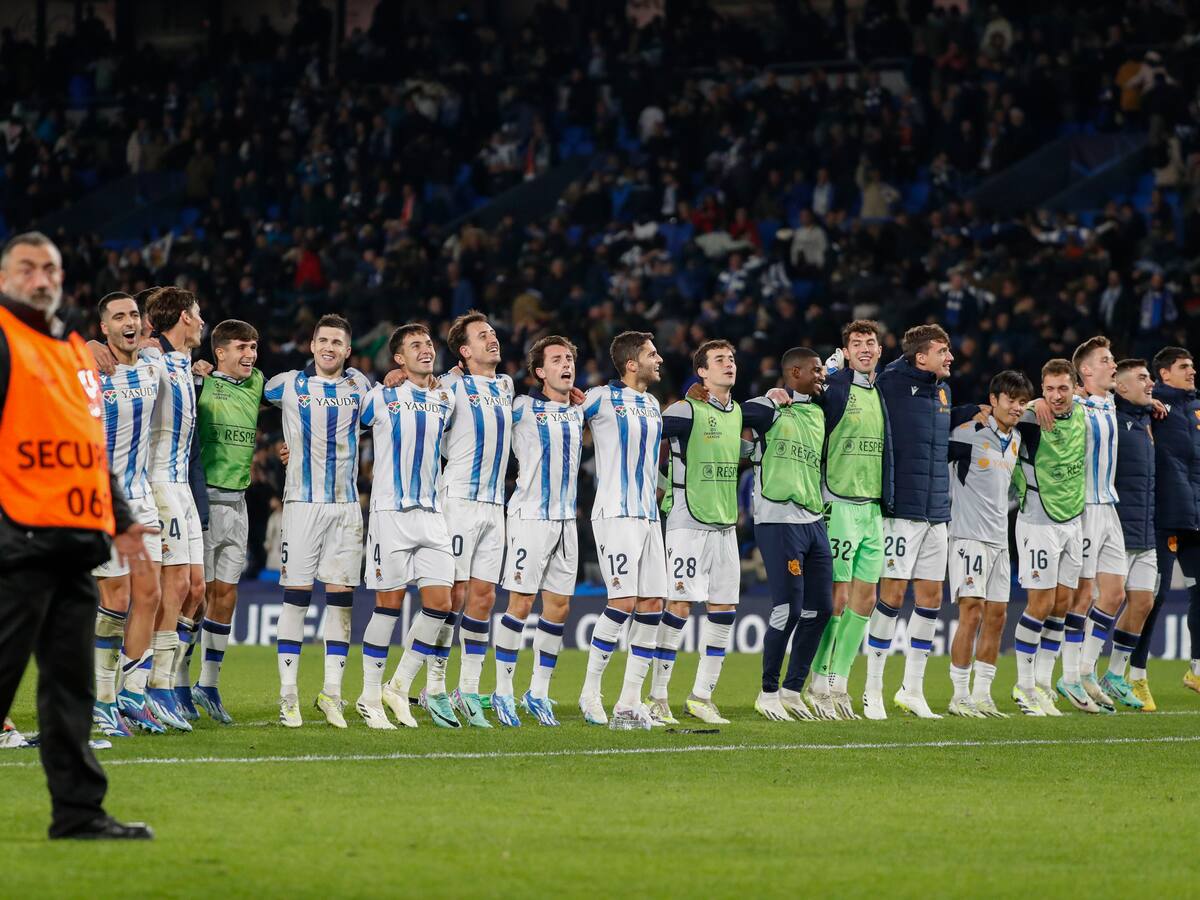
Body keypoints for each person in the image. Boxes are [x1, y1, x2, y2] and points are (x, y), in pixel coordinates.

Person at [0, 231, 154, 839]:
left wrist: (122, 518)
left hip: (74, 543)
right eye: (27, 268)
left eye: (50, 268)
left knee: (71, 688)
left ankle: (79, 812)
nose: (41, 278)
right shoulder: (4, 338)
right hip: (17, 539)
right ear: (5, 277)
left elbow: (87, 445)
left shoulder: (69, 348)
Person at [264, 314, 371, 728]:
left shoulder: (360, 386)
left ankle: (332, 694)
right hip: (302, 504)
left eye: (337, 342)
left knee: (341, 601)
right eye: (323, 340)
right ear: (311, 345)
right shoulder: (287, 384)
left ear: (348, 350)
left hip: (345, 506)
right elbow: (243, 385)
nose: (329, 347)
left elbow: (386, 411)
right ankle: (288, 695)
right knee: (297, 596)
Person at [360, 324, 457, 729]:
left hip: (431, 514)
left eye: (429, 343)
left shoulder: (445, 398)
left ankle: (398, 686)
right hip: (390, 513)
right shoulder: (380, 397)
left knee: (441, 604)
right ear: (399, 358)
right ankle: (369, 696)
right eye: (415, 345)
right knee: (389, 605)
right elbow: (344, 428)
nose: (426, 349)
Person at [651, 339, 748, 725]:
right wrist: (659, 486)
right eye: (719, 360)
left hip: (725, 526)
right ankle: (658, 697)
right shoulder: (685, 409)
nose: (729, 364)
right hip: (687, 524)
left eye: (732, 358)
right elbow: (646, 435)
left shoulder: (737, 412)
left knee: (724, 609)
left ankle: (701, 697)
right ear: (702, 372)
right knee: (679, 605)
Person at [864, 324, 958, 720]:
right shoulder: (889, 384)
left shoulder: (943, 390)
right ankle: (872, 690)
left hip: (936, 511)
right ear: (921, 357)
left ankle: (912, 690)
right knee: (892, 595)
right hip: (901, 511)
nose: (950, 357)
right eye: (942, 351)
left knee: (932, 598)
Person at [578, 331, 667, 730]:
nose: (659, 359)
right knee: (622, 602)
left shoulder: (652, 403)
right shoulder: (600, 398)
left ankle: (629, 701)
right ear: (632, 364)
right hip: (615, 513)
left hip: (649, 516)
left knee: (651, 605)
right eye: (651, 354)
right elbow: (562, 412)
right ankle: (589, 692)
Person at [499, 336, 585, 726]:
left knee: (559, 607)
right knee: (520, 603)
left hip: (566, 521)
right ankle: (503, 691)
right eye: (557, 360)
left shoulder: (580, 409)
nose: (566, 364)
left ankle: (538, 692)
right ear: (540, 371)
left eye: (569, 358)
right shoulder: (521, 407)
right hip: (530, 516)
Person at [744, 348, 833, 722]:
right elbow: (733, 414)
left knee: (822, 609)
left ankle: (792, 690)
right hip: (778, 520)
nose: (821, 376)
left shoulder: (819, 412)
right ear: (794, 372)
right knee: (788, 609)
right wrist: (768, 397)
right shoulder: (768, 409)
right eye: (815, 370)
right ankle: (767, 692)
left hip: (814, 520)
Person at [807, 319, 890, 720]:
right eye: (857, 343)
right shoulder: (836, 388)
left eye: (870, 342)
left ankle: (840, 682)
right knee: (837, 598)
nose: (865, 348)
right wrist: (827, 374)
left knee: (867, 598)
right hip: (838, 503)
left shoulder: (881, 392)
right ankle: (818, 681)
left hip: (872, 507)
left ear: (879, 350)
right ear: (846, 351)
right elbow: (807, 399)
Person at [90, 292, 164, 737]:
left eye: (134, 314)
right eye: (118, 317)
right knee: (116, 600)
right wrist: (83, 348)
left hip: (142, 496)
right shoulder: (90, 373)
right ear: (104, 328)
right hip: (103, 499)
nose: (129, 322)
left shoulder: (153, 363)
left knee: (150, 595)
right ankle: (101, 701)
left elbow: (177, 345)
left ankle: (132, 695)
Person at [440, 312, 516, 728]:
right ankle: (433, 685)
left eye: (493, 332)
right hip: (459, 499)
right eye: (482, 335)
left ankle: (467, 689)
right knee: (453, 594)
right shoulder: (450, 386)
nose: (492, 339)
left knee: (484, 597)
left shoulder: (506, 386)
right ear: (465, 351)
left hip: (493, 504)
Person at [945, 371, 1032, 717]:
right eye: (1010, 400)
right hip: (968, 538)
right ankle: (959, 695)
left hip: (999, 542)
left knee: (997, 616)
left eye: (1022, 402)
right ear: (993, 400)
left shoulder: (1017, 439)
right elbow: (932, 450)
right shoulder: (967, 433)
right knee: (972, 612)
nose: (1017, 407)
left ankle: (982, 694)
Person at [192, 320, 264, 723]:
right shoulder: (200, 383)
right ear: (219, 352)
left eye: (253, 347)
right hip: (204, 500)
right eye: (241, 347)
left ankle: (208, 684)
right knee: (194, 596)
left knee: (226, 595)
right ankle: (175, 683)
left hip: (238, 503)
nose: (250, 355)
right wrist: (196, 372)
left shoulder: (258, 383)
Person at [143, 287, 207, 732]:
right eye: (198, 314)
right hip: (159, 483)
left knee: (196, 588)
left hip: (182, 487)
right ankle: (156, 686)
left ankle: (163, 682)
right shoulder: (153, 358)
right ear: (184, 316)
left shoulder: (184, 362)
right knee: (175, 582)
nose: (202, 321)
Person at [1010, 359, 1087, 715]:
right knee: (1040, 605)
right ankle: (1023, 686)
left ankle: (1042, 683)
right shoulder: (1030, 418)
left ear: (1075, 388)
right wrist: (1031, 403)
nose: (1056, 396)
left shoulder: (1083, 413)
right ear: (1042, 388)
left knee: (1062, 604)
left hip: (1073, 520)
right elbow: (997, 413)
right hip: (1038, 521)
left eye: (1063, 389)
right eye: (1050, 389)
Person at [1137, 347, 1200, 706]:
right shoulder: (1151, 406)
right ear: (1164, 374)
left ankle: (1197, 670)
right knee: (1153, 597)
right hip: (1162, 515)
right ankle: (1135, 675)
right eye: (1184, 367)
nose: (1192, 372)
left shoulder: (1196, 408)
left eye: (1192, 366)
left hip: (1194, 516)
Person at [1101, 358, 1157, 708]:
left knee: (1144, 602)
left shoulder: (1149, 419)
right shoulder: (1110, 420)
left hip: (1146, 529)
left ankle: (1114, 675)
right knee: (1106, 601)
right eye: (1142, 378)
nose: (1150, 383)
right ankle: (1080, 673)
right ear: (1121, 387)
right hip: (1117, 529)